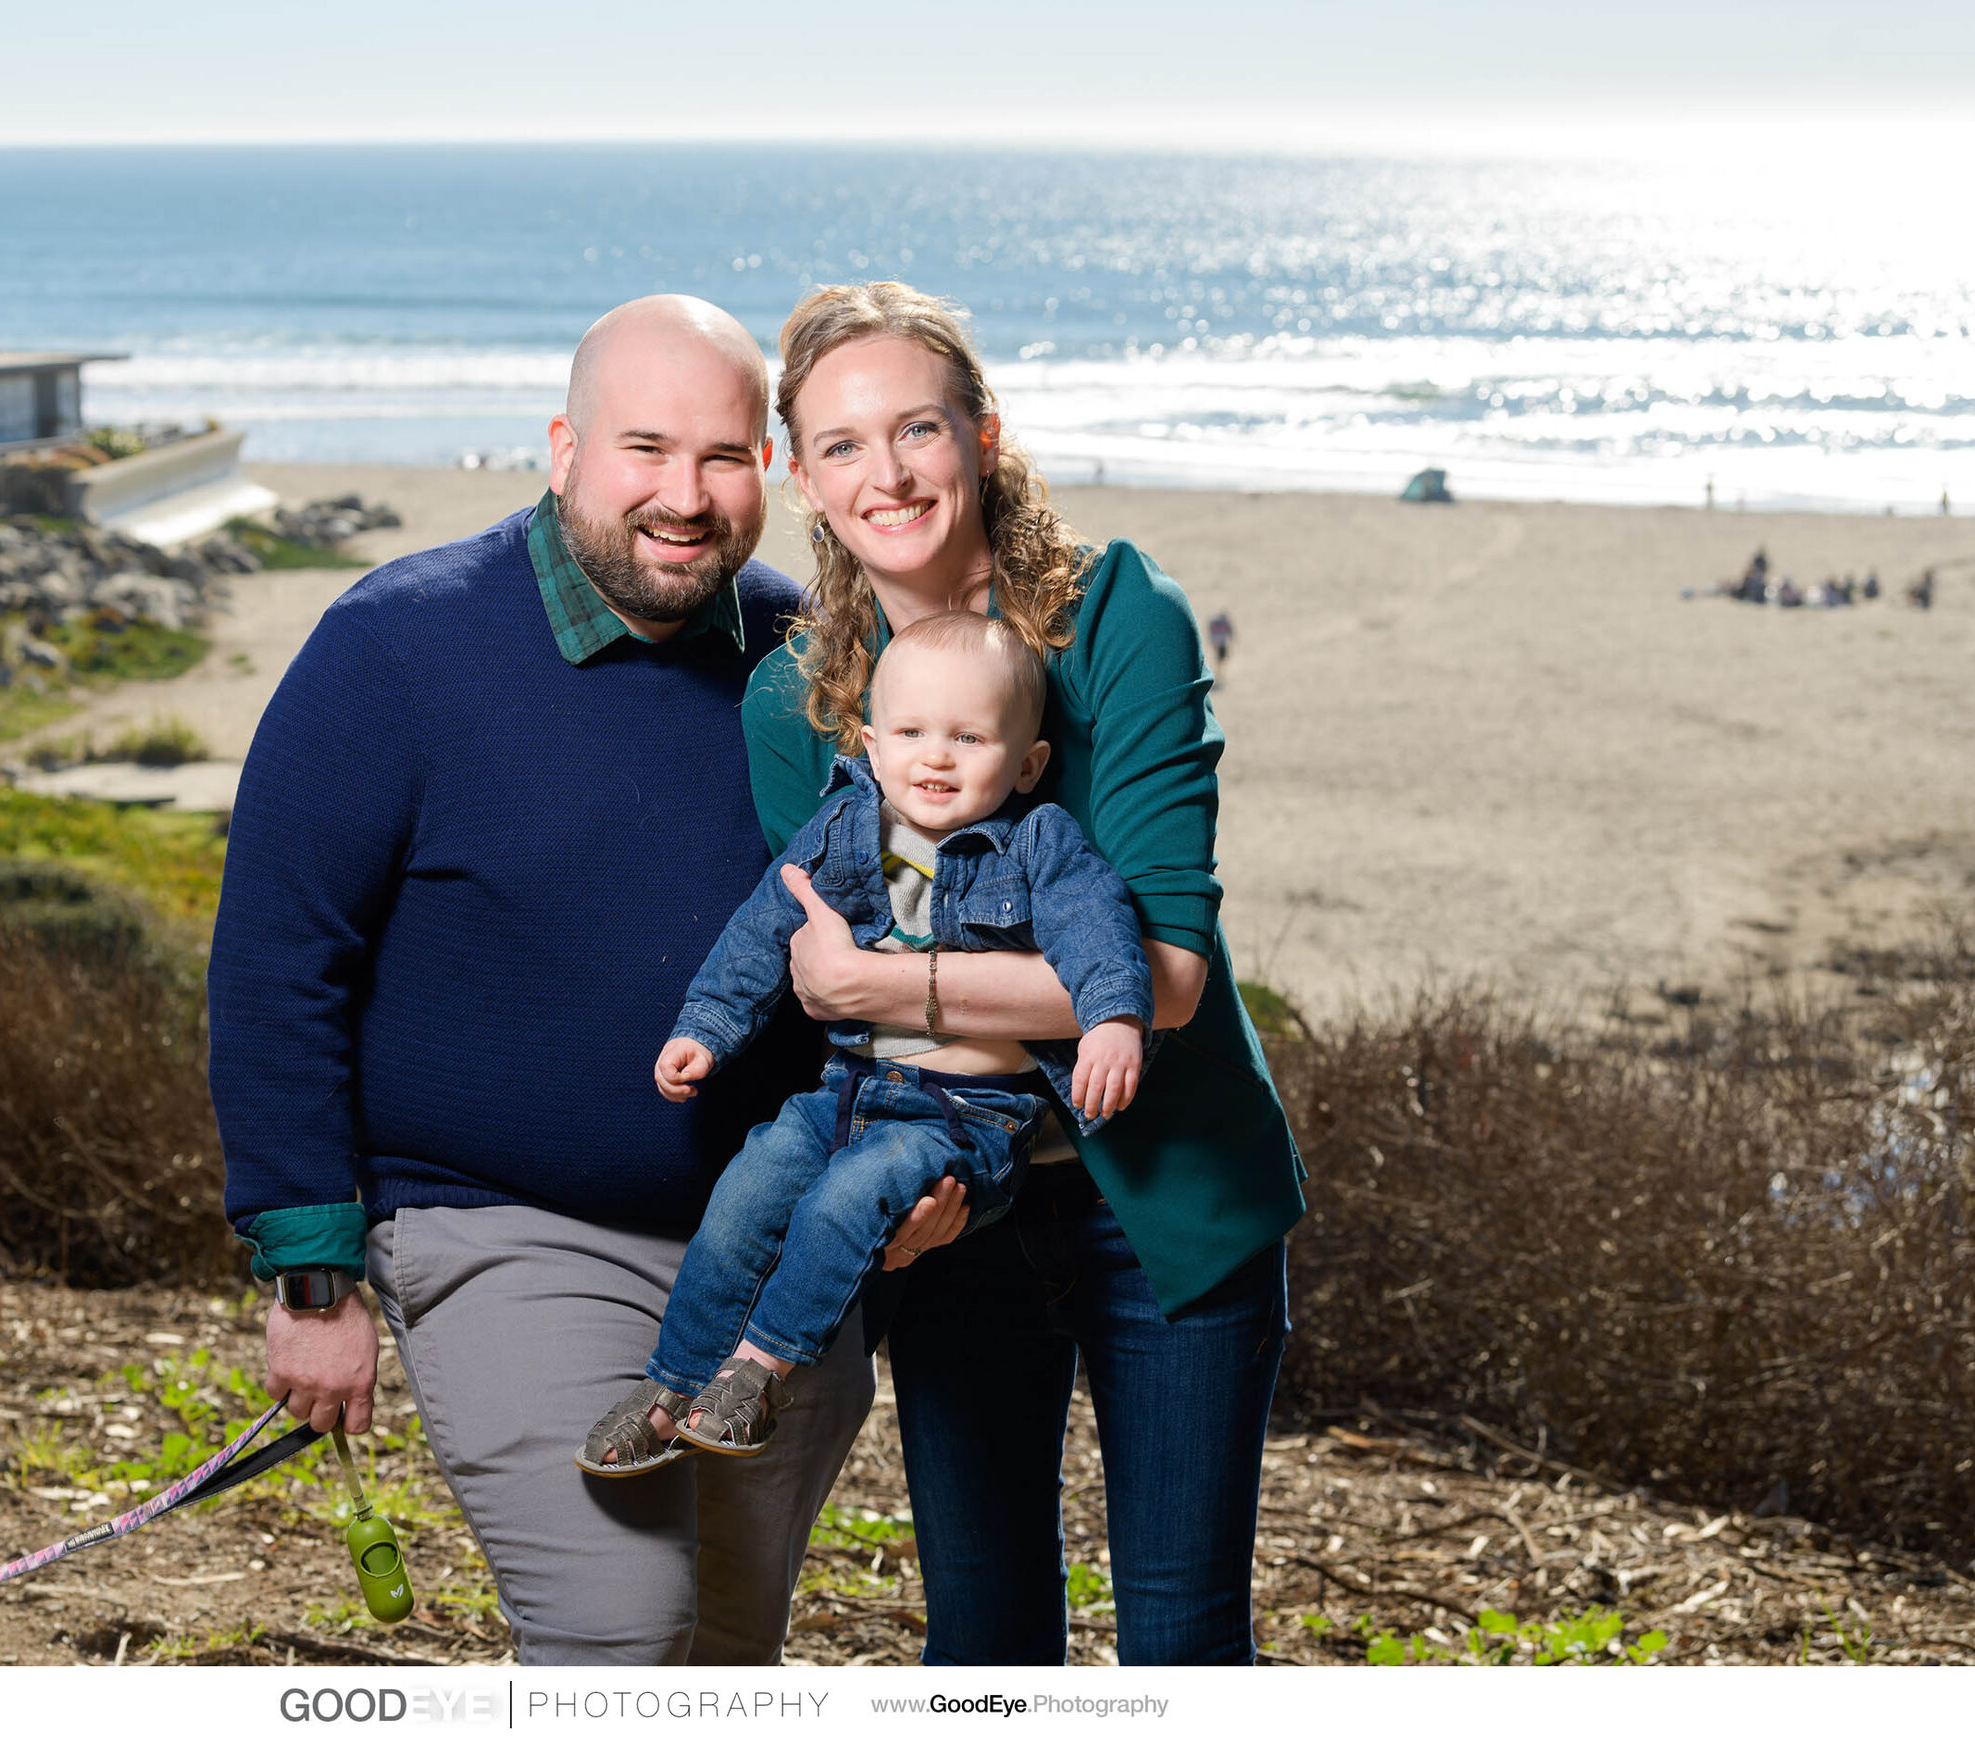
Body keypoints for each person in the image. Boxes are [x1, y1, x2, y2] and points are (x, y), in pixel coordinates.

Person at [207, 295, 881, 1665]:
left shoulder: (806, 654)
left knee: (726, 1655)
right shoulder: (393, 650)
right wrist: (311, 1283)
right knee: (620, 1635)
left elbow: (874, 924)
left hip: (770, 1249)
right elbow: (280, 964)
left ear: (770, 468)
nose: (683, 498)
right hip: (503, 1231)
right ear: (564, 446)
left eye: (724, 456)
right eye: (645, 449)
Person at [743, 282, 1303, 1665]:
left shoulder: (1116, 613)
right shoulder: (791, 700)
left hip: (1169, 1197)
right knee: (985, 1642)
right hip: (949, 1206)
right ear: (798, 475)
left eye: (917, 428)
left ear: (981, 435)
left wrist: (892, 992)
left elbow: (1163, 981)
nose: (889, 473)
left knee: (1181, 1639)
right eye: (844, 444)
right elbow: (813, 981)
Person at [579, 613, 1154, 1473]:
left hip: (965, 1118)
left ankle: (758, 1372)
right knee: (748, 1189)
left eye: (970, 737)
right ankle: (673, 1385)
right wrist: (705, 1028)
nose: (937, 757)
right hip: (847, 1091)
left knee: (847, 1200)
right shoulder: (846, 827)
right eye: (913, 733)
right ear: (873, 745)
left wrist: (1114, 1019)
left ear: (1028, 763)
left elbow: (1098, 932)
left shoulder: (1039, 842)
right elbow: (761, 930)